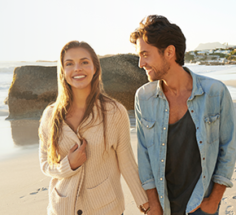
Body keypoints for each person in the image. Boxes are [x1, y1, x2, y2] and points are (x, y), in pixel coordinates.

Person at [130, 15, 236, 215]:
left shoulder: (215, 92)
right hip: (162, 205)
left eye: (145, 54)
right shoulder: (144, 97)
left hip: (202, 204)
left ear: (169, 52)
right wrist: (153, 202)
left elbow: (228, 148)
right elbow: (144, 154)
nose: (140, 63)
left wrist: (213, 201)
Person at [39, 41, 149, 215]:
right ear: (62, 71)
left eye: (84, 62)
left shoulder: (114, 112)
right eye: (69, 64)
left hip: (106, 208)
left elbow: (126, 161)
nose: (77, 68)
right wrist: (69, 165)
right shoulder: (50, 115)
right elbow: (45, 164)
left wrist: (144, 201)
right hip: (62, 208)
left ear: (95, 68)